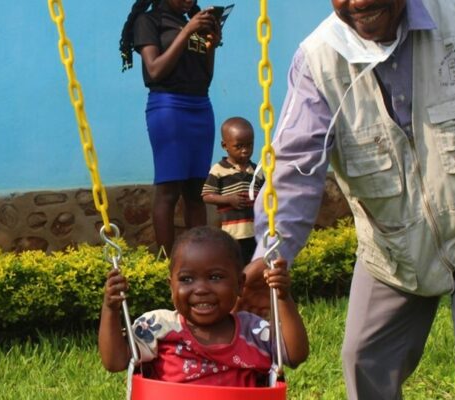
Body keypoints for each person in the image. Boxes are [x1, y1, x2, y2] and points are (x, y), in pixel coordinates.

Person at [239, 0, 455, 398]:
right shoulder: (318, 61)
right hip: (394, 242)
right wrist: (270, 254)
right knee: (365, 359)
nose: (359, 2)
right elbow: (296, 170)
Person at [99, 225, 309, 386]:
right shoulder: (157, 327)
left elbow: (294, 355)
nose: (201, 289)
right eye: (187, 279)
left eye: (215, 277)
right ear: (171, 287)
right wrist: (110, 309)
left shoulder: (253, 331)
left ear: (240, 284)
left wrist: (283, 298)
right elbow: (115, 362)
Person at [119, 0, 222, 255]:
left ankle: (198, 259)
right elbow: (155, 70)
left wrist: (211, 44)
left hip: (201, 107)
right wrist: (187, 32)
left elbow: (206, 77)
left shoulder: (189, 24)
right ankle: (167, 263)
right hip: (169, 107)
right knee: (169, 189)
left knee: (196, 192)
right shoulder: (148, 21)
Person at [202, 117, 265, 265]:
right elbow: (206, 196)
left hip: (254, 232)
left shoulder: (256, 170)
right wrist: (228, 199)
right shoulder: (219, 170)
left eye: (249, 145)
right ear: (225, 145)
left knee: (254, 264)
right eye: (239, 146)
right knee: (234, 263)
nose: (245, 150)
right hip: (231, 233)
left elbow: (264, 194)